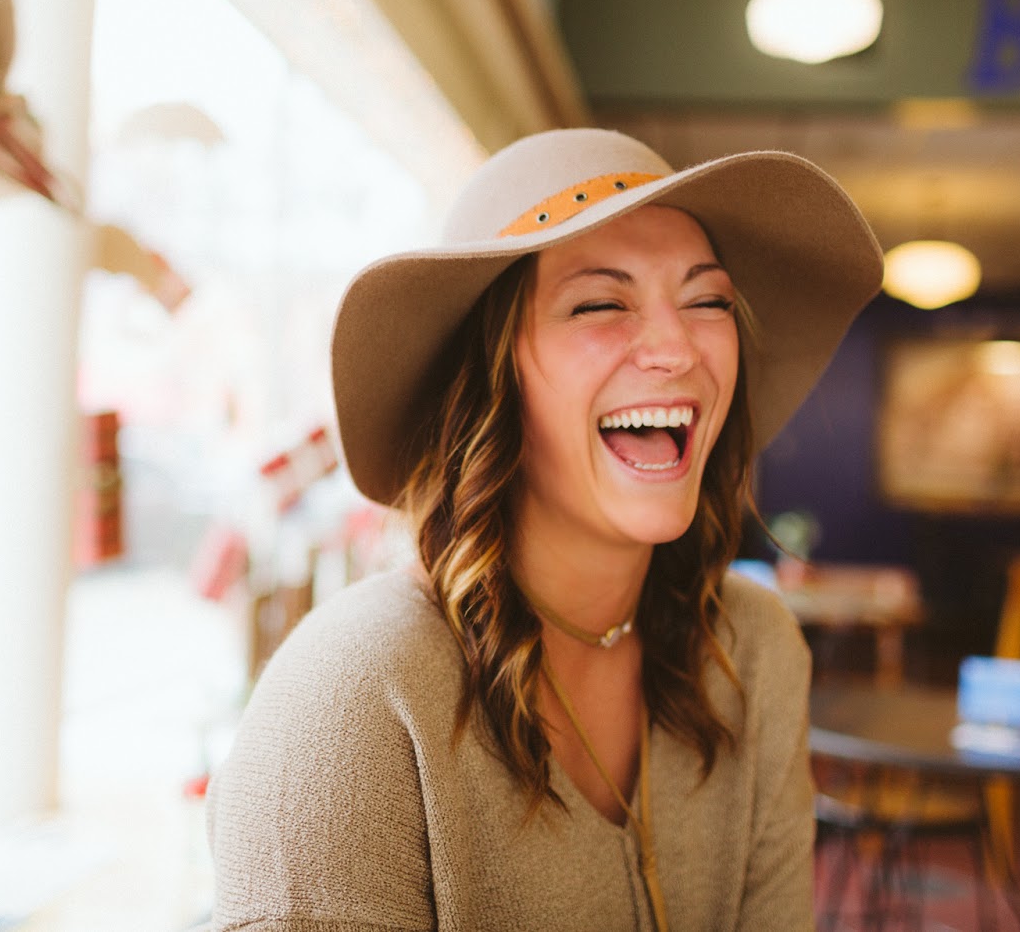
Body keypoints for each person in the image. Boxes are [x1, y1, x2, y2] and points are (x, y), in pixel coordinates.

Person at [206, 128, 883, 931]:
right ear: (492, 377)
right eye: (600, 303)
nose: (676, 349)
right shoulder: (349, 698)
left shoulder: (752, 652)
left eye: (707, 301)